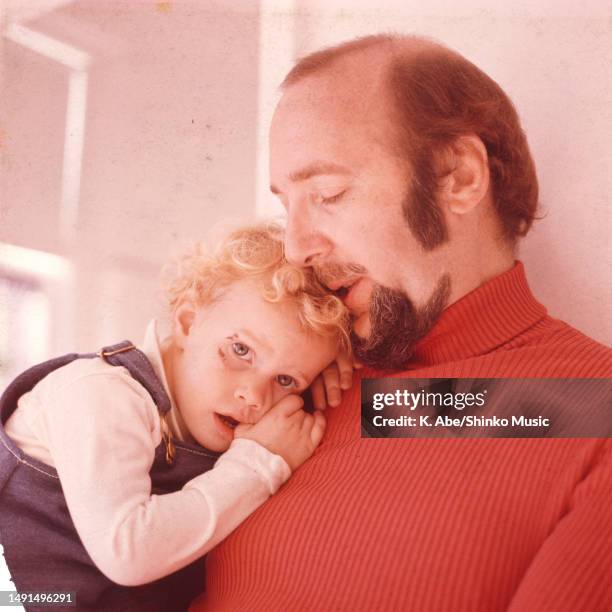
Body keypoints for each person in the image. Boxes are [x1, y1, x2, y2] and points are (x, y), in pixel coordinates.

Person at [194, 35, 612, 611]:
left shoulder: (589, 408)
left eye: (328, 193)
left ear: (458, 177)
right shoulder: (293, 379)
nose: (295, 248)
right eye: (285, 205)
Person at [0, 223, 349, 611]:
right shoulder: (100, 392)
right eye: (241, 350)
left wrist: (354, 374)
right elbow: (129, 552)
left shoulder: (248, 425)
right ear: (186, 323)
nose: (253, 395)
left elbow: (415, 413)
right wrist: (257, 465)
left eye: (285, 379)